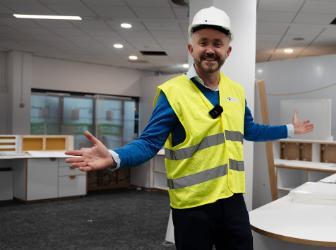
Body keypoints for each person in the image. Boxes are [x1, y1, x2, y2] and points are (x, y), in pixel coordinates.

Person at [65, 6, 314, 250]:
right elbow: (149, 143)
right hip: (192, 208)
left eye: (217, 44)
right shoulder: (172, 93)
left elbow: (251, 130)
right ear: (190, 48)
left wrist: (290, 129)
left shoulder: (236, 91)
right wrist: (115, 157)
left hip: (232, 201)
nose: (210, 50)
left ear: (228, 51)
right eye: (203, 42)